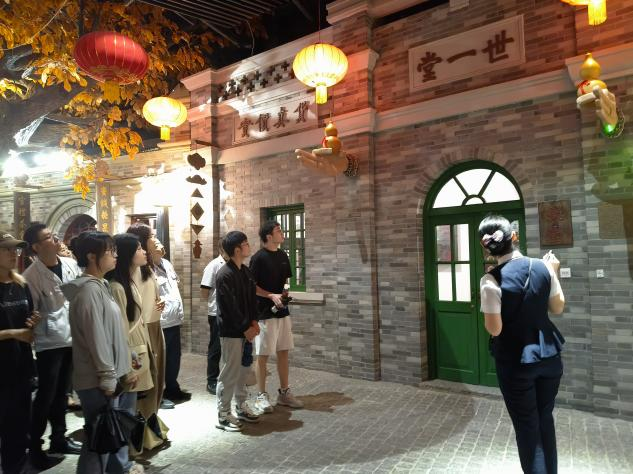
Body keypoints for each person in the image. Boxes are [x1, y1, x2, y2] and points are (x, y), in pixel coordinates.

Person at [479, 215, 565, 474]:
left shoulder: (491, 280)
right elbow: (557, 307)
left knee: (527, 427)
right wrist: (553, 272)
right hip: (550, 357)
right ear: (514, 237)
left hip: (515, 362)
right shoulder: (543, 267)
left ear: (486, 247)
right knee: (544, 419)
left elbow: (495, 329)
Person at [61, 231, 143, 474]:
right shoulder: (88, 292)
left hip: (109, 376)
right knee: (99, 442)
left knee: (107, 437)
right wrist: (108, 377)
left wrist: (127, 359)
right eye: (110, 251)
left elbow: (113, 332)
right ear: (91, 256)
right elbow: (97, 339)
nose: (115, 255)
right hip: (97, 380)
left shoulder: (101, 286)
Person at [22, 223, 82, 467]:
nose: (55, 239)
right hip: (49, 343)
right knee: (46, 395)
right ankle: (34, 447)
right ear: (36, 247)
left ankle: (59, 438)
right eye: (48, 237)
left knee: (62, 393)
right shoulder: (30, 276)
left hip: (71, 337)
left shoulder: (69, 264)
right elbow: (32, 312)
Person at [106, 234, 155, 458]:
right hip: (129, 353)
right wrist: (125, 365)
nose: (144, 252)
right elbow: (120, 330)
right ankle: (123, 458)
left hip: (136, 349)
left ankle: (127, 454)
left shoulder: (128, 281)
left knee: (130, 404)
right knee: (124, 408)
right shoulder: (117, 287)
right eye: (138, 249)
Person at [250, 221, 303, 413]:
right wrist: (271, 296)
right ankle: (261, 395)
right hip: (265, 313)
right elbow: (252, 286)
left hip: (282, 311)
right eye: (278, 231)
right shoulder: (258, 258)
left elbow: (286, 281)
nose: (282, 233)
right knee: (262, 355)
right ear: (268, 236)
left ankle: (284, 393)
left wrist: (284, 294)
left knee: (283, 351)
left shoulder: (282, 255)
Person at [0, 232, 41, 474]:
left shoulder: (20, 285)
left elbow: (27, 321)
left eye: (15, 249)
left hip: (21, 366)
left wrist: (32, 323)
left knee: (19, 428)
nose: (13, 254)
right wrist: (14, 333)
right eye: (6, 249)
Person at [127, 223, 169, 446]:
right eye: (151, 236)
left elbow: (151, 294)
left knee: (158, 377)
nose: (155, 239)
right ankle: (141, 430)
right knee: (146, 380)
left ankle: (151, 421)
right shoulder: (131, 268)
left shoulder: (148, 265)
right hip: (141, 330)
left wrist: (159, 302)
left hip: (155, 325)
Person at [215, 231, 260, 431]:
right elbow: (229, 307)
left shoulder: (246, 272)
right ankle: (223, 414)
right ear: (237, 249)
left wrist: (254, 322)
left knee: (244, 370)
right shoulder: (224, 274)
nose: (249, 246)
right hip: (232, 332)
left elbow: (252, 301)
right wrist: (245, 327)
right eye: (246, 243)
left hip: (247, 330)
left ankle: (241, 405)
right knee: (229, 372)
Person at [151, 236, 190, 402]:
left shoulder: (166, 263)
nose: (160, 244)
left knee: (174, 357)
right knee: (160, 359)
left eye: (160, 241)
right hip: (160, 321)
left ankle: (172, 388)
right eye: (155, 243)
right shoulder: (147, 269)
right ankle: (157, 394)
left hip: (174, 319)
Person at [200, 238, 227, 395]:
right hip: (216, 313)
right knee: (216, 347)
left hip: (230, 313)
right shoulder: (213, 265)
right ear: (221, 249)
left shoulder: (232, 264)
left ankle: (226, 379)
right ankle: (211, 380)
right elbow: (204, 292)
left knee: (229, 347)